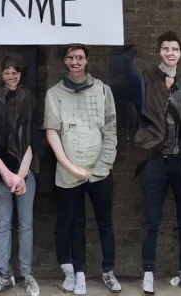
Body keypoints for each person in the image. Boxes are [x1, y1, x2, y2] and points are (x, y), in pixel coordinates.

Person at [44, 44, 120, 296]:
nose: (75, 61)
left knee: (105, 222)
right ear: (65, 61)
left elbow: (110, 129)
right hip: (68, 173)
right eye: (70, 57)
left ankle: (108, 271)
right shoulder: (54, 93)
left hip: (99, 171)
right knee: (75, 223)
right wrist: (71, 167)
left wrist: (101, 166)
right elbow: (52, 131)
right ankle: (79, 274)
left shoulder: (103, 90)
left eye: (80, 57)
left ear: (87, 60)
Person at [133, 31, 181, 295]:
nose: (170, 53)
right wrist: (146, 139)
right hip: (155, 159)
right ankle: (148, 272)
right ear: (159, 51)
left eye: (175, 49)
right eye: (165, 48)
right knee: (151, 218)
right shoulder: (148, 78)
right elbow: (137, 112)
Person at [0, 53, 40, 296]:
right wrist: (7, 175)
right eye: (7, 71)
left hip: (25, 172)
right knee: (2, 224)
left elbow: (33, 139)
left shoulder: (28, 98)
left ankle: (26, 273)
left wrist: (20, 175)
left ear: (20, 74)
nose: (11, 75)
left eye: (15, 71)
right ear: (2, 74)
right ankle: (2, 273)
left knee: (26, 224)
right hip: (0, 173)